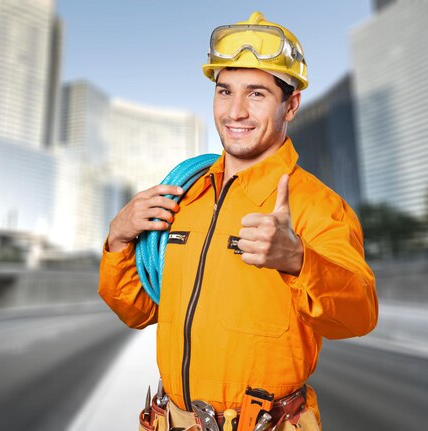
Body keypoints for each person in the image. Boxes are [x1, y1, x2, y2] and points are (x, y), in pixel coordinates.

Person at [99, 11, 378, 431]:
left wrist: (299, 260)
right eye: (224, 91)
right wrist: (119, 241)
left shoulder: (319, 206)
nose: (235, 111)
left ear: (291, 105)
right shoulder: (184, 193)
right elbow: (139, 311)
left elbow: (359, 315)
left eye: (257, 94)